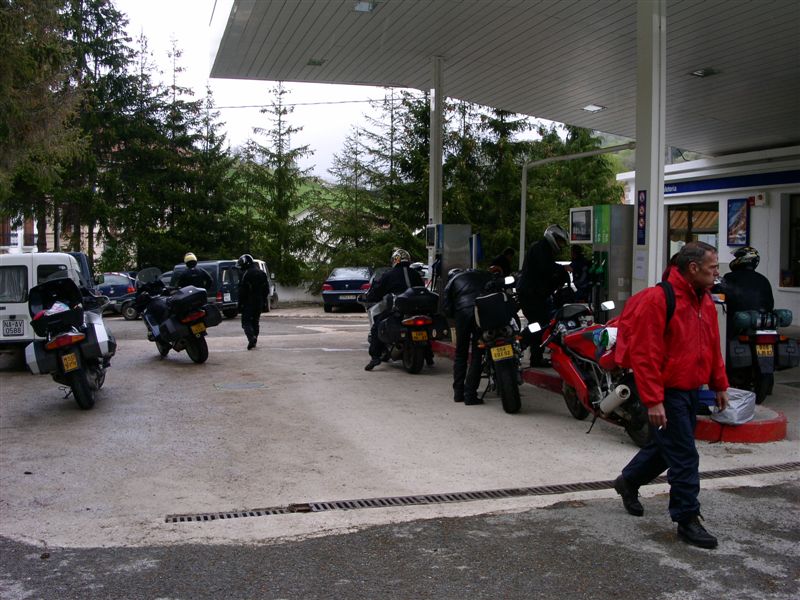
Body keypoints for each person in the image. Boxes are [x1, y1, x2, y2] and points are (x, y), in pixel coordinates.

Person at [613, 241, 729, 549]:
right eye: (712, 268)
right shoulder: (660, 299)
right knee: (685, 455)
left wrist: (719, 384)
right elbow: (645, 354)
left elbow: (712, 344)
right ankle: (687, 519)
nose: (716, 273)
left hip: (691, 390)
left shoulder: (705, 300)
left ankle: (628, 481)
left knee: (668, 449)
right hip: (667, 392)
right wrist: (654, 400)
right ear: (693, 268)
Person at [517, 224, 570, 367]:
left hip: (535, 295)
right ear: (553, 237)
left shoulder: (544, 249)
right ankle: (519, 344)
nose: (560, 245)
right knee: (539, 324)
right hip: (530, 295)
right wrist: (562, 269)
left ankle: (535, 357)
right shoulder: (540, 249)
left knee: (540, 324)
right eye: (560, 241)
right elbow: (545, 269)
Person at [363, 248, 424, 371]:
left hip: (398, 309)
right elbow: (421, 288)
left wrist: (369, 297)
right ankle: (429, 355)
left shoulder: (389, 275)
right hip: (417, 309)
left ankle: (375, 357)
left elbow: (378, 291)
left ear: (395, 260)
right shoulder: (415, 274)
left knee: (376, 327)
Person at [442, 268, 493, 405]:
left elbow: (447, 309)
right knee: (477, 354)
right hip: (481, 311)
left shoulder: (452, 281)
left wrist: (456, 315)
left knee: (461, 353)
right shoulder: (479, 274)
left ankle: (458, 393)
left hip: (463, 314)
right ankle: (470, 394)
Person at [715, 246, 774, 340]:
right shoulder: (763, 279)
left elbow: (722, 295)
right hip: (763, 322)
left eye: (737, 257)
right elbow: (770, 303)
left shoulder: (730, 277)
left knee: (722, 337)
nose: (735, 260)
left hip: (736, 323)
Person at [236, 253, 270, 350]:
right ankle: (255, 339)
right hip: (259, 301)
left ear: (246, 263)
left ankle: (251, 338)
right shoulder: (262, 273)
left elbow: (242, 291)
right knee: (255, 321)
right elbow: (266, 289)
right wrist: (263, 300)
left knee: (246, 322)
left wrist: (240, 305)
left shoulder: (246, 275)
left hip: (248, 302)